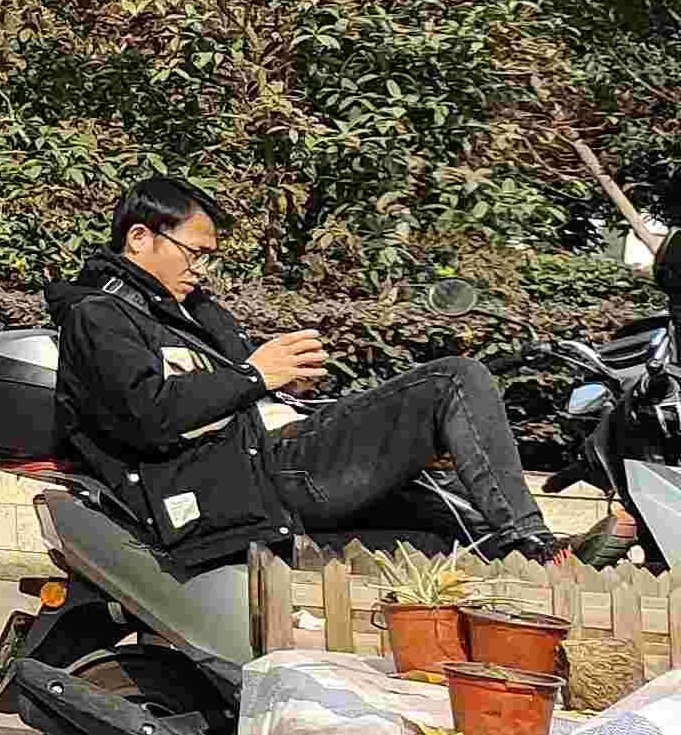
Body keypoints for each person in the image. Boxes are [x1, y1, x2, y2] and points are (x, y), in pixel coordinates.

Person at [52, 175, 555, 569]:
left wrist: (280, 384)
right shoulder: (100, 315)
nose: (201, 269)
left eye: (209, 259)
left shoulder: (194, 310)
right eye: (194, 253)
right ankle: (535, 541)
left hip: (278, 455)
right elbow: (148, 413)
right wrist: (255, 377)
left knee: (456, 512)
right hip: (258, 473)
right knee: (454, 379)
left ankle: (533, 568)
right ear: (140, 237)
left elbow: (235, 387)